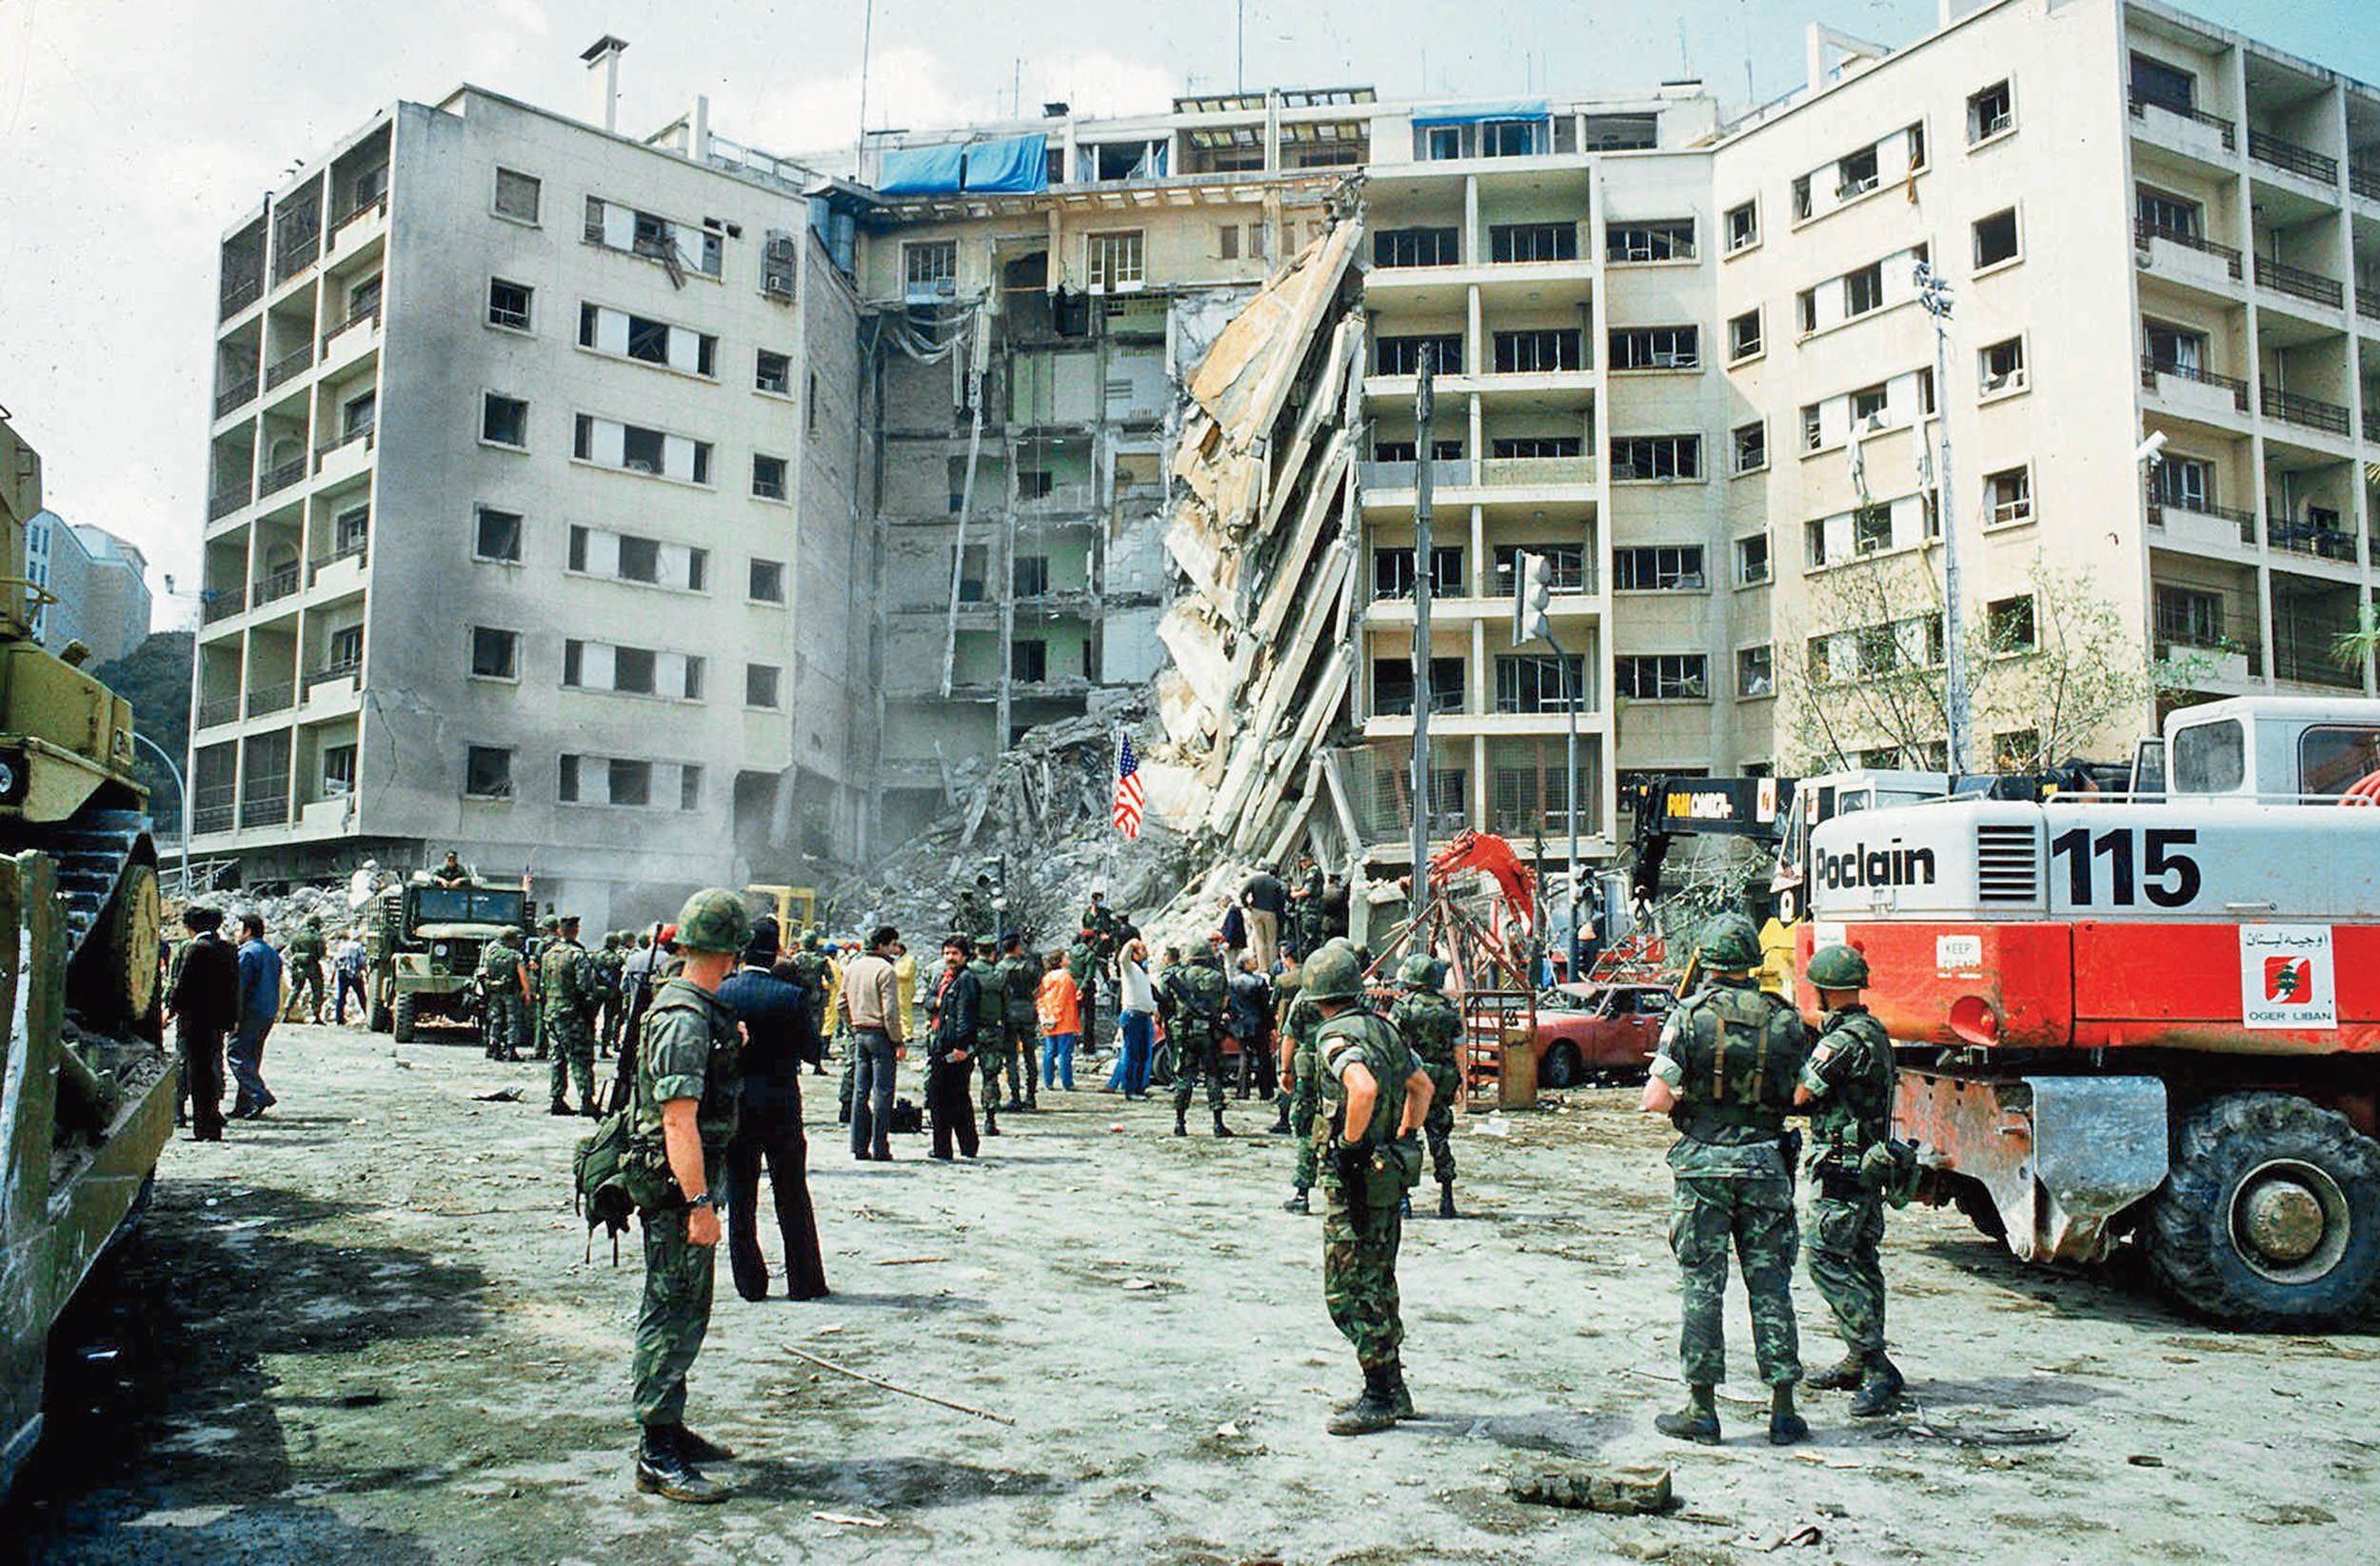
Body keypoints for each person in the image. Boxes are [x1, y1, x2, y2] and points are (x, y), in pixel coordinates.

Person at [1639, 912, 1812, 1447]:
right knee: (1771, 1287)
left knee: (1702, 1287)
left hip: (1703, 1170)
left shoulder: (1688, 1018)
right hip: (1766, 1169)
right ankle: (1783, 1410)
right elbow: (1804, 1094)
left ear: (1708, 962)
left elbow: (1655, 1099)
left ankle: (1702, 1410)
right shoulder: (1786, 1020)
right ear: (1752, 965)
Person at [627, 887, 750, 1504]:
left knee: (684, 1310)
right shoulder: (684, 1016)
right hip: (678, 1193)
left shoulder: (697, 1007)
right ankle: (656, 1451)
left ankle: (669, 1424)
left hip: (684, 1187)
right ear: (729, 951)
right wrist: (699, 1206)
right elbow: (678, 1120)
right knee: (672, 1312)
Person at [1305, 943, 1433, 1436]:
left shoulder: (1333, 1036)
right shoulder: (1386, 1029)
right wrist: (1403, 1133)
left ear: (1318, 996)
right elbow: (1420, 1087)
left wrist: (1352, 1145)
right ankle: (1388, 1385)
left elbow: (1361, 1087)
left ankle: (1381, 1393)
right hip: (1387, 1172)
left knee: (1346, 1288)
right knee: (1379, 1278)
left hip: (1356, 1176)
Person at [1796, 943, 1905, 1417]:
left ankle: (1876, 1364)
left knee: (1822, 1256)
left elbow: (1803, 1092)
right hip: (1868, 1163)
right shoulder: (1873, 1032)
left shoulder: (1839, 1042)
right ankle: (1861, 1358)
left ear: (1823, 988)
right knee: (1862, 1258)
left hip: (1841, 1166)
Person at [720, 917, 828, 1303]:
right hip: (782, 1103)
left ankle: (750, 1283)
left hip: (737, 1104)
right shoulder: (789, 995)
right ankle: (804, 1281)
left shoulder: (723, 991)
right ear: (776, 949)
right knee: (792, 1193)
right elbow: (813, 1050)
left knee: (740, 1195)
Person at [1390, 954, 1465, 1220]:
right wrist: (1461, 1081)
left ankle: (1403, 1200)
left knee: (1406, 1136)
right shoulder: (1449, 1008)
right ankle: (1447, 1198)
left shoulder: (1403, 1008)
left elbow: (1394, 1046)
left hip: (1412, 1078)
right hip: (1442, 1077)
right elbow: (1460, 1048)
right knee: (1439, 1137)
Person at [168, 905, 240, 1141]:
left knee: (197, 1075)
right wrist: (232, 1018)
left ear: (190, 927)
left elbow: (182, 985)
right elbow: (233, 987)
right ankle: (212, 1125)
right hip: (218, 1021)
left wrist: (170, 1010)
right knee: (211, 1071)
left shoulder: (195, 949)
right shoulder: (228, 949)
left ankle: (203, 1129)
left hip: (195, 1022)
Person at [838, 925, 905, 1161]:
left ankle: (858, 1145)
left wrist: (853, 1025)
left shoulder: (852, 967)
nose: (896, 949)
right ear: (883, 945)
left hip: (859, 1033)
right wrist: (898, 1040)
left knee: (860, 1091)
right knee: (883, 1092)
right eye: (893, 944)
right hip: (881, 1035)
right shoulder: (886, 970)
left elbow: (841, 1004)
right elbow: (890, 1011)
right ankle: (880, 1146)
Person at [1161, 940, 1235, 1138]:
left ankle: (1179, 1123)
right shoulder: (1218, 977)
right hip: (1209, 1033)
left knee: (1184, 1077)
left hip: (1185, 1032)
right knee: (1213, 1075)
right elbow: (1225, 1002)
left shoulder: (1178, 976)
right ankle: (1218, 1124)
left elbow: (1166, 1002)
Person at [925, 934, 982, 1160]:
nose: (950, 957)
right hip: (942, 1042)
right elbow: (929, 1000)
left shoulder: (966, 979)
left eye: (954, 953)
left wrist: (962, 1046)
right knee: (951, 1098)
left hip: (955, 1047)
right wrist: (937, 1003)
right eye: (947, 953)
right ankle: (960, 1145)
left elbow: (966, 1016)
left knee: (947, 1099)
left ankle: (948, 1147)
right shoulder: (944, 977)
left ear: (964, 956)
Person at [228, 913, 283, 1120]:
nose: (235, 933)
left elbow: (239, 988)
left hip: (249, 1013)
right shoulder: (270, 953)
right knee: (252, 1057)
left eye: (238, 929)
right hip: (267, 1012)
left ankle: (260, 1096)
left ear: (248, 931)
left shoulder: (247, 954)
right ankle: (244, 1104)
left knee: (236, 1055)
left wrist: (233, 1016)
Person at [545, 915, 596, 1117]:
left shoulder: (549, 954)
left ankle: (557, 1099)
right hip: (572, 1012)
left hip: (552, 1011)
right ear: (575, 930)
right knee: (580, 1056)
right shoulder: (577, 955)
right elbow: (585, 987)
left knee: (557, 1056)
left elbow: (543, 983)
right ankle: (586, 1100)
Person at [967, 940, 1008, 1138]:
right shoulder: (999, 975)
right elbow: (1006, 1003)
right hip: (992, 1030)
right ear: (993, 953)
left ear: (976, 951)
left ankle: (962, 1119)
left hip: (967, 1031)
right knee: (990, 1075)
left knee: (961, 1076)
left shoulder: (967, 972)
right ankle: (990, 1119)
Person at [994, 933, 1040, 1112]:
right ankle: (1031, 1096)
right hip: (1027, 1012)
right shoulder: (1028, 967)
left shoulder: (999, 968)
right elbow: (1038, 978)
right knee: (1030, 1056)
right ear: (1017, 948)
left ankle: (1015, 1096)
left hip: (1008, 1013)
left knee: (1011, 1057)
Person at [1227, 952, 1275, 1101]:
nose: (1255, 961)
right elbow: (1265, 1006)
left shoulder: (1233, 982)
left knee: (1244, 1057)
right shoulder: (1259, 982)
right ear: (1246, 964)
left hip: (1241, 1024)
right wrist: (1270, 1024)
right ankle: (1265, 1091)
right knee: (1263, 1057)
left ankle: (1242, 1090)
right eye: (1252, 960)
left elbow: (1230, 1005)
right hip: (1258, 1023)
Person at [477, 926, 530, 1061]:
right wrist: (527, 992)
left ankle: (493, 1047)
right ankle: (511, 1050)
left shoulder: (491, 952)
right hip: (511, 991)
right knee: (513, 1020)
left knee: (496, 1019)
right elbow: (522, 975)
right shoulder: (515, 955)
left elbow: (484, 971)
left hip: (494, 991)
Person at [1115, 937, 1157, 1100]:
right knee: (1132, 1055)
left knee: (1143, 1055)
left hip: (1145, 1015)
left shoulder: (1143, 972)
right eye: (1142, 951)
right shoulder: (1129, 968)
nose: (1146, 954)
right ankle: (1130, 1090)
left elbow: (1146, 994)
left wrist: (1154, 1008)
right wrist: (1130, 943)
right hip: (1132, 1015)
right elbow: (1122, 958)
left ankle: (1139, 1088)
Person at [1036, 949, 1081, 1092]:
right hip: (1064, 1020)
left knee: (1049, 1051)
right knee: (1064, 1053)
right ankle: (1067, 1082)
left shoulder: (1047, 977)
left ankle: (1048, 1082)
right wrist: (1057, 1015)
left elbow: (1041, 997)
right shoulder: (1066, 978)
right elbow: (1062, 999)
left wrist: (1045, 1015)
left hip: (1048, 1019)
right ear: (1061, 961)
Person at [1240, 862, 1289, 971]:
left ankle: (1263, 967)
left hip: (1256, 911)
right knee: (1271, 941)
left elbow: (1242, 894)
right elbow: (1281, 900)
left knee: (1259, 940)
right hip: (1270, 913)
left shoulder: (1254, 880)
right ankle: (1272, 966)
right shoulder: (1274, 883)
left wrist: (1247, 906)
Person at [282, 916, 327, 1022]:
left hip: (299, 966)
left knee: (296, 990)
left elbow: (292, 950)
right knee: (317, 990)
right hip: (313, 966)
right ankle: (317, 1015)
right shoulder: (317, 937)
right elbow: (321, 953)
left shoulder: (297, 936)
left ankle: (286, 1012)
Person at [1289, 852, 1325, 955]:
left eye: (1305, 861)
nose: (1303, 864)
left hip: (1311, 909)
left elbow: (1307, 891)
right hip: (1309, 908)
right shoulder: (1309, 871)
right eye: (1301, 862)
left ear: (1311, 860)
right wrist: (1297, 889)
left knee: (1309, 936)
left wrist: (1295, 894)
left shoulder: (1312, 871)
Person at [332, 926, 368, 1025]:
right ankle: (368, 1015)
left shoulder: (342, 946)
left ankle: (339, 1019)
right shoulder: (358, 946)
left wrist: (333, 975)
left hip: (342, 972)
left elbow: (335, 960)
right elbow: (361, 961)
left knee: (341, 996)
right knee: (361, 996)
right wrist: (364, 972)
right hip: (354, 974)